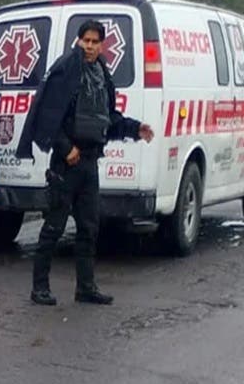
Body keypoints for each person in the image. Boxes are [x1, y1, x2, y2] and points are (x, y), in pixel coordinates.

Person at [17, 20, 155, 306]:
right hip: (65, 164)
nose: (90, 46)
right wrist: (66, 148)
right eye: (85, 41)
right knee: (54, 226)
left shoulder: (101, 74)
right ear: (78, 41)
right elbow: (47, 115)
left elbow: (107, 118)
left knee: (89, 228)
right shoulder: (65, 70)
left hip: (90, 163)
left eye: (95, 42)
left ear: (101, 45)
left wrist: (134, 128)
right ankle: (39, 287)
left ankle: (86, 287)